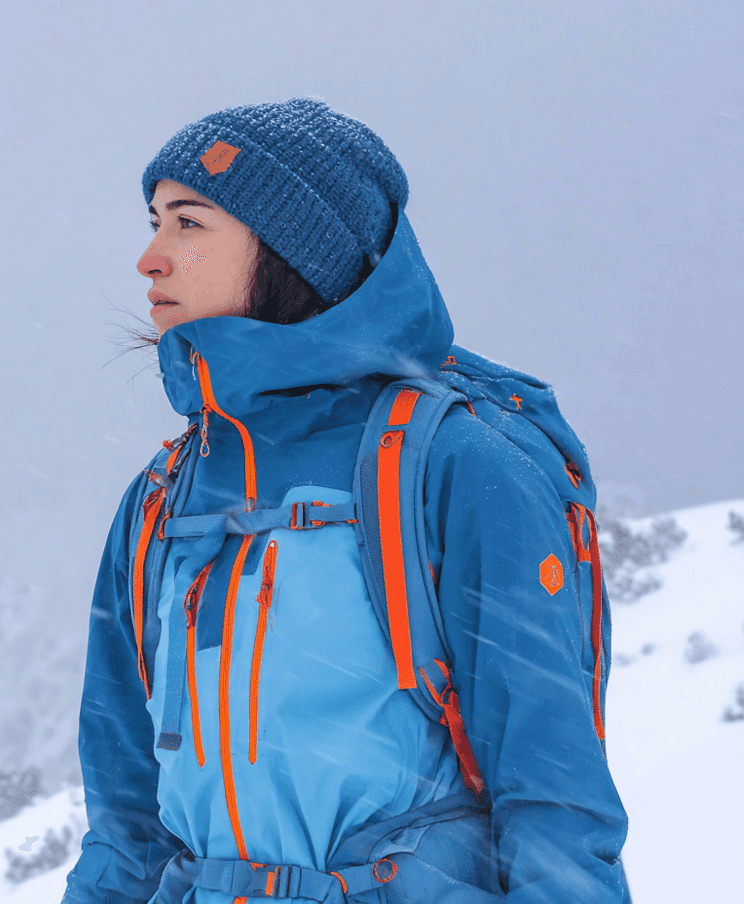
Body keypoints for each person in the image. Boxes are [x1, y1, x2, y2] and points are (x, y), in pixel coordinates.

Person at [61, 98, 630, 904]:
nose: (150, 259)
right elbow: (126, 824)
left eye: (188, 224)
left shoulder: (453, 464)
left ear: (296, 251)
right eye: (155, 223)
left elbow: (555, 804)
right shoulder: (161, 497)